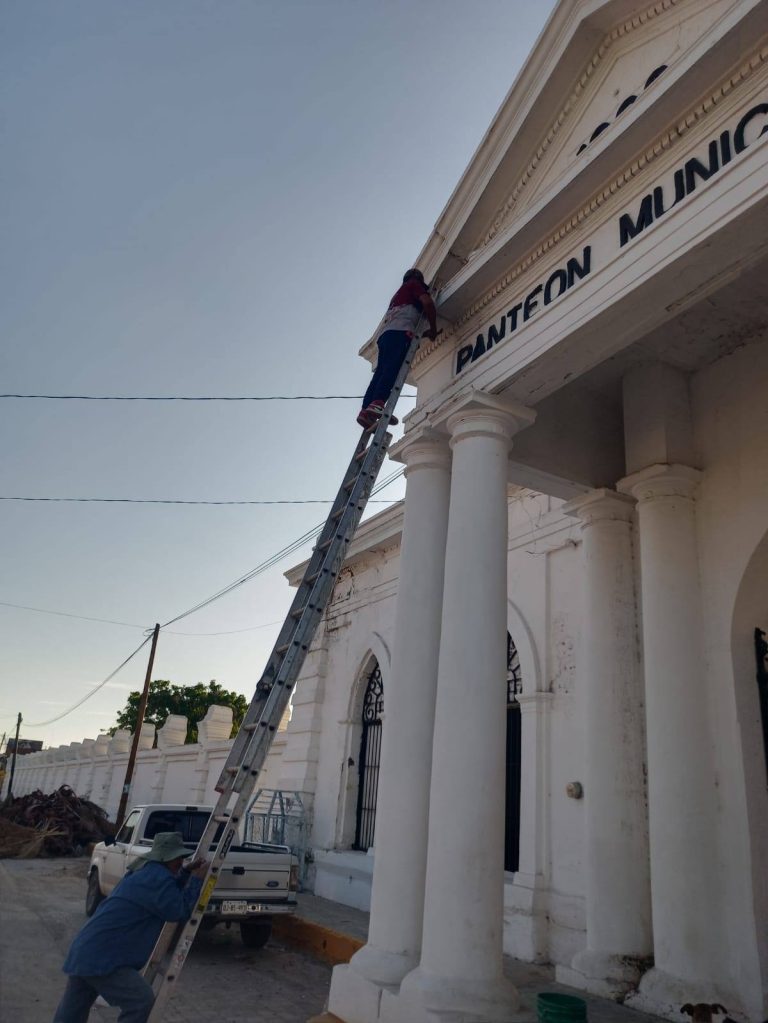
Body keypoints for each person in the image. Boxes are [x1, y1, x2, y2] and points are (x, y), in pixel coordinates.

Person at [53, 831, 208, 1023]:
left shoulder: (146, 871)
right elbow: (178, 911)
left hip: (86, 949)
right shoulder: (157, 878)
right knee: (141, 1002)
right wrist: (197, 880)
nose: (180, 861)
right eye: (177, 858)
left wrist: (185, 872)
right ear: (165, 858)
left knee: (72, 1012)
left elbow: (166, 893)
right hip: (105, 958)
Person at [357, 268, 437, 429]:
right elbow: (427, 303)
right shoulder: (414, 285)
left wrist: (422, 333)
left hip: (386, 335)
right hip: (400, 332)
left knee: (380, 373)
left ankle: (366, 411)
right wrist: (433, 328)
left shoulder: (398, 295)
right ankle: (378, 403)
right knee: (392, 369)